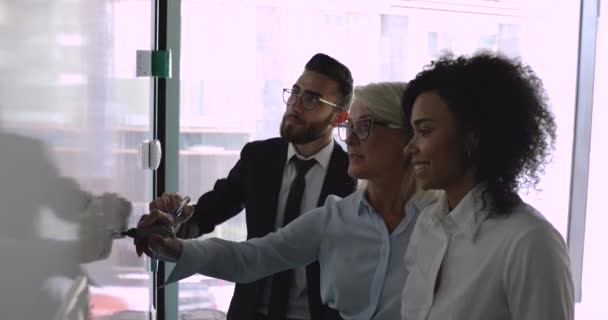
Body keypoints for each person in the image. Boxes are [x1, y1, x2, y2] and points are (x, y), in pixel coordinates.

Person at [135, 82, 438, 319]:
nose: (352, 139)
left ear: (408, 136)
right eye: (351, 128)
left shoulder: (444, 222)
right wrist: (175, 247)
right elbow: (253, 258)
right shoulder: (334, 217)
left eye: (365, 126)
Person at [144, 53, 357, 320]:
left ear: (339, 118)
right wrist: (175, 218)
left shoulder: (352, 175)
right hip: (251, 312)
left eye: (312, 99)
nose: (296, 105)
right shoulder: (259, 157)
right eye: (295, 92)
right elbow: (206, 214)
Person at [401, 52, 574, 320]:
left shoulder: (529, 242)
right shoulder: (427, 224)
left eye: (424, 131)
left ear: (473, 136)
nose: (410, 147)